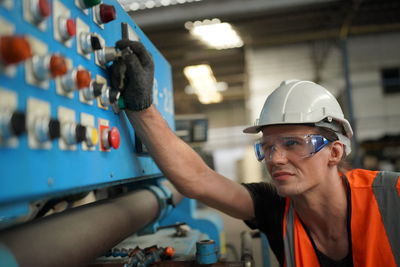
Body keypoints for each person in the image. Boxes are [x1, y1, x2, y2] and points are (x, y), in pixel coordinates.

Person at [109, 40, 400, 267]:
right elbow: (198, 180)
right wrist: (142, 108)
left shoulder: (393, 196)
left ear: (334, 152)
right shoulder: (275, 208)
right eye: (268, 147)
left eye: (292, 144)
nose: (275, 159)